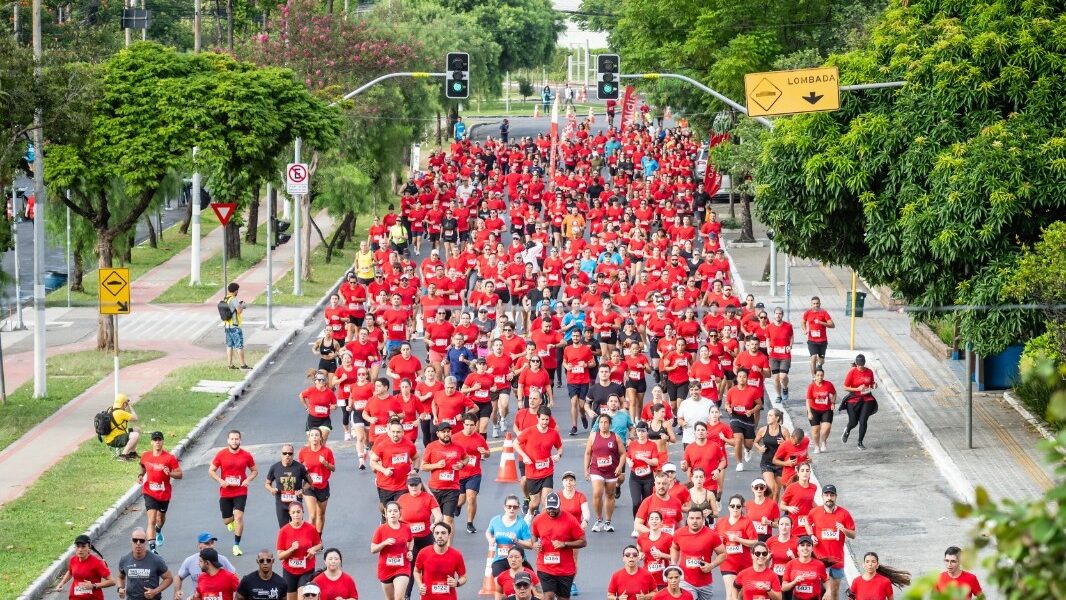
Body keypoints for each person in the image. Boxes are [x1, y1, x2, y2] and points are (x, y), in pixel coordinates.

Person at [209, 430, 258, 557]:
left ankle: (236, 545)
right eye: (232, 439)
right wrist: (220, 480)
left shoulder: (246, 455)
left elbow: (254, 470)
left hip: (240, 490)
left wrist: (248, 479)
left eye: (237, 439)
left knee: (239, 517)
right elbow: (211, 470)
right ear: (228, 440)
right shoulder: (221, 454)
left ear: (240, 440)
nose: (234, 441)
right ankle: (230, 523)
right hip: (225, 492)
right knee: (227, 520)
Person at [803, 485, 855, 600]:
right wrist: (811, 535)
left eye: (831, 495)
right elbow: (807, 522)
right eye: (826, 495)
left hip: (837, 560)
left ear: (836, 497)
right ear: (822, 497)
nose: (829, 498)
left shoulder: (844, 514)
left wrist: (844, 530)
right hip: (819, 558)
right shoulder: (814, 512)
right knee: (818, 591)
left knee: (834, 592)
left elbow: (853, 535)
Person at [531, 492, 587, 600]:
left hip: (565, 569)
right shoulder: (538, 519)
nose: (551, 511)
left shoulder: (570, 520)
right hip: (545, 567)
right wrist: (534, 543)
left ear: (559, 505)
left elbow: (583, 542)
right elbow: (534, 534)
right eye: (549, 508)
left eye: (554, 508)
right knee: (548, 596)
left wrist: (565, 544)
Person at [515, 408, 563, 517]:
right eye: (542, 419)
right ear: (537, 418)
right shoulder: (529, 431)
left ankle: (543, 526)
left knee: (545, 501)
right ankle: (529, 516)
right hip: (532, 473)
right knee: (534, 503)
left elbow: (560, 447)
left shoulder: (553, 433)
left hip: (547, 471)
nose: (545, 422)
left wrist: (558, 455)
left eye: (547, 420)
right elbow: (515, 443)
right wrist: (524, 456)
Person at [138, 430, 182, 551]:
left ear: (162, 442)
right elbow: (142, 466)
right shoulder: (146, 456)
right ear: (151, 442)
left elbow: (180, 474)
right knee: (151, 519)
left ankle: (158, 530)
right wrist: (141, 475)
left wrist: (171, 473)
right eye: (155, 440)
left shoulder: (169, 458)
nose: (157, 442)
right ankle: (152, 549)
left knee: (160, 519)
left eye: (159, 440)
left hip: (164, 494)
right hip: (149, 492)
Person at [671, 508, 727, 600]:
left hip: (705, 583)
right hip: (685, 580)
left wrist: (711, 565)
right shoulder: (679, 534)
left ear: (703, 519)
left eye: (697, 518)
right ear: (687, 520)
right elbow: (674, 547)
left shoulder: (711, 535)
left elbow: (723, 554)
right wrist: (673, 563)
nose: (694, 521)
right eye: (692, 518)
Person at [584, 412, 626, 532]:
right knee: (597, 493)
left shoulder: (615, 437)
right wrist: (586, 469)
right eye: (601, 422)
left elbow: (623, 454)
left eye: (605, 422)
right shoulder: (593, 436)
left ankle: (608, 522)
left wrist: (619, 467)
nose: (603, 424)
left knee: (610, 495)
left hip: (612, 470)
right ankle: (598, 520)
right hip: (596, 469)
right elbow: (587, 453)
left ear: (610, 424)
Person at [422, 421, 468, 526]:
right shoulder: (431, 446)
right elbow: (423, 466)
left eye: (448, 431)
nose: (446, 434)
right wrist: (436, 465)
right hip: (435, 488)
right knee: (436, 518)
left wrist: (462, 464)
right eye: (443, 432)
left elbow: (466, 458)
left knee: (448, 520)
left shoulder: (458, 447)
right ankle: (436, 540)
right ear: (438, 434)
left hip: (452, 488)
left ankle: (448, 543)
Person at [452, 412, 491, 533]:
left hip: (474, 473)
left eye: (472, 425)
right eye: (467, 425)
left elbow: (488, 453)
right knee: (461, 500)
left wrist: (484, 452)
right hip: (459, 473)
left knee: (471, 497)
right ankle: (458, 506)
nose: (469, 428)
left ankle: (469, 523)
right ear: (463, 424)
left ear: (475, 425)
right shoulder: (455, 438)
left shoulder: (479, 438)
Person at [370, 418, 419, 510]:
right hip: (385, 485)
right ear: (389, 432)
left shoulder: (409, 444)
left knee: (400, 512)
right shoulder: (382, 445)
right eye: (393, 432)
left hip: (403, 485)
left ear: (403, 432)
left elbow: (416, 457)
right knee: (387, 511)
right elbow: (373, 461)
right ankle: (384, 521)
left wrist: (415, 469)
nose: (395, 434)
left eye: (398, 432)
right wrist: (384, 470)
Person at [716, 495, 759, 600]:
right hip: (728, 563)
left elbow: (755, 542)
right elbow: (715, 542)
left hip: (745, 563)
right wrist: (720, 546)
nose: (735, 508)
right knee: (731, 594)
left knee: (741, 595)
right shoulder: (721, 522)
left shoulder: (747, 522)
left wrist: (738, 539)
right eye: (733, 506)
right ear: (729, 507)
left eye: (738, 506)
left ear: (741, 508)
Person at [276, 503, 323, 600]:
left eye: (298, 512)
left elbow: (319, 544)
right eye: (293, 512)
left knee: (302, 597)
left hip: (307, 570)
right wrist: (291, 549)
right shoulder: (284, 531)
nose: (296, 514)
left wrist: (313, 549)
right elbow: (280, 556)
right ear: (290, 514)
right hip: (289, 571)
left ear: (302, 512)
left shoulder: (310, 528)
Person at [370, 501, 414, 600]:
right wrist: (383, 543)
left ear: (399, 513)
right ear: (386, 514)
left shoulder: (406, 528)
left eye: (395, 511)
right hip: (385, 569)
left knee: (399, 597)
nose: (393, 513)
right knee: (390, 598)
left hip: (402, 567)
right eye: (390, 511)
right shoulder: (380, 530)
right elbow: (373, 549)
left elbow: (411, 540)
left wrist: (410, 551)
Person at [414, 522, 468, 599]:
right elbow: (416, 571)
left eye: (443, 533)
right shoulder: (423, 552)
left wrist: (457, 583)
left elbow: (464, 577)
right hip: (428, 597)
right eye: (437, 533)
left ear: (449, 535)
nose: (440, 536)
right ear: (433, 535)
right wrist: (420, 585)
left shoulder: (456, 555)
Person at [174, 533, 236, 600]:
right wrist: (177, 591)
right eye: (207, 543)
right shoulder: (190, 561)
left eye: (212, 543)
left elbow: (235, 580)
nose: (210, 546)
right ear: (199, 545)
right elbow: (178, 577)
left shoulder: (222, 559)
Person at [118, 527, 174, 600]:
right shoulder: (124, 560)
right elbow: (120, 577)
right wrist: (120, 588)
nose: (138, 543)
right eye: (135, 540)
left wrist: (155, 591)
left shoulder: (156, 560)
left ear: (146, 542)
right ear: (131, 541)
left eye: (141, 541)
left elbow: (169, 578)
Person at [52, 534, 114, 599]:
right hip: (75, 597)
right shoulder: (73, 560)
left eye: (83, 546)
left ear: (89, 548)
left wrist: (94, 585)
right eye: (78, 546)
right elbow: (70, 572)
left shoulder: (97, 563)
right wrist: (62, 583)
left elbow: (112, 581)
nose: (80, 549)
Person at [487, 495, 535, 577]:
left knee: (528, 581)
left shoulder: (522, 524)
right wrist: (490, 539)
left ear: (518, 508)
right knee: (499, 581)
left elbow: (530, 545)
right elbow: (488, 531)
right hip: (500, 559)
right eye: (509, 506)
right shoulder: (495, 520)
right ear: (504, 507)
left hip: (518, 560)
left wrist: (517, 540)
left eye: (515, 507)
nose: (512, 509)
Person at [298, 428, 335, 532]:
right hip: (309, 486)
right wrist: (302, 468)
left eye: (317, 435)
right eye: (312, 435)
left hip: (323, 486)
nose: (314, 437)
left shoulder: (327, 451)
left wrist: (325, 463)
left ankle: (318, 537)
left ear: (320, 438)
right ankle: (310, 540)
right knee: (313, 515)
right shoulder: (303, 451)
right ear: (309, 438)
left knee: (321, 514)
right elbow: (299, 468)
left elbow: (333, 468)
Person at [265, 444, 310, 527]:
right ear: (281, 454)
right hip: (281, 504)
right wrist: (271, 489)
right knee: (284, 529)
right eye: (284, 453)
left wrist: (302, 490)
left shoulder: (300, 467)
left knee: (297, 527)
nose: (287, 455)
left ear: (293, 455)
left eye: (290, 453)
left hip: (296, 503)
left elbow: (309, 482)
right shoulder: (274, 468)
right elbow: (267, 483)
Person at [841, 354, 877, 450]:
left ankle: (860, 442)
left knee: (863, 421)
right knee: (853, 422)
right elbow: (845, 387)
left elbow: (872, 383)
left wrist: (874, 385)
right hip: (854, 399)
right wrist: (857, 388)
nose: (860, 367)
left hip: (867, 399)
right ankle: (847, 430)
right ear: (856, 364)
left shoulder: (869, 372)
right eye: (859, 365)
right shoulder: (852, 372)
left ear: (864, 363)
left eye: (862, 365)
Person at [781, 535, 826, 600]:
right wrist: (794, 582)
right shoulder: (790, 564)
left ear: (812, 548)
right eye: (802, 545)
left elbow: (826, 580)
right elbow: (784, 588)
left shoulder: (819, 565)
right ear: (798, 548)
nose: (805, 548)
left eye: (808, 545)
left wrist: (828, 591)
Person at [805, 368, 836, 453]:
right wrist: (809, 412)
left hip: (826, 409)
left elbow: (834, 393)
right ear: (815, 376)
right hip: (814, 409)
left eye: (821, 375)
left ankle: (823, 442)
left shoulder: (828, 384)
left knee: (826, 429)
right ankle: (816, 446)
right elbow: (808, 400)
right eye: (818, 375)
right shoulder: (811, 386)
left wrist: (833, 402)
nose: (820, 377)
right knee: (815, 430)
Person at [103, 393, 142, 460]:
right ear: (124, 404)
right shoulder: (120, 413)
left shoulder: (111, 410)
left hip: (111, 438)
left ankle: (132, 453)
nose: (126, 405)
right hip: (114, 439)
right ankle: (123, 455)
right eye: (126, 404)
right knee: (135, 435)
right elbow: (135, 418)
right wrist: (130, 406)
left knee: (137, 429)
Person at [801, 297, 833, 376]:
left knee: (821, 361)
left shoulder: (824, 313)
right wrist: (804, 330)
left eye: (817, 303)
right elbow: (803, 322)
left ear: (820, 304)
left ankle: (819, 365)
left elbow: (832, 325)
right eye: (814, 304)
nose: (815, 305)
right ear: (811, 305)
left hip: (822, 341)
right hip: (811, 340)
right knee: (813, 357)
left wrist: (821, 322)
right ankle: (814, 377)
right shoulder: (807, 313)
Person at [222, 282, 250, 369]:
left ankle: (230, 365)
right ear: (236, 291)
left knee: (229, 346)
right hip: (235, 327)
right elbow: (239, 311)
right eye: (237, 290)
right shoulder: (233, 299)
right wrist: (242, 305)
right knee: (239, 346)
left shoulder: (226, 298)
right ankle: (243, 365)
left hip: (227, 326)